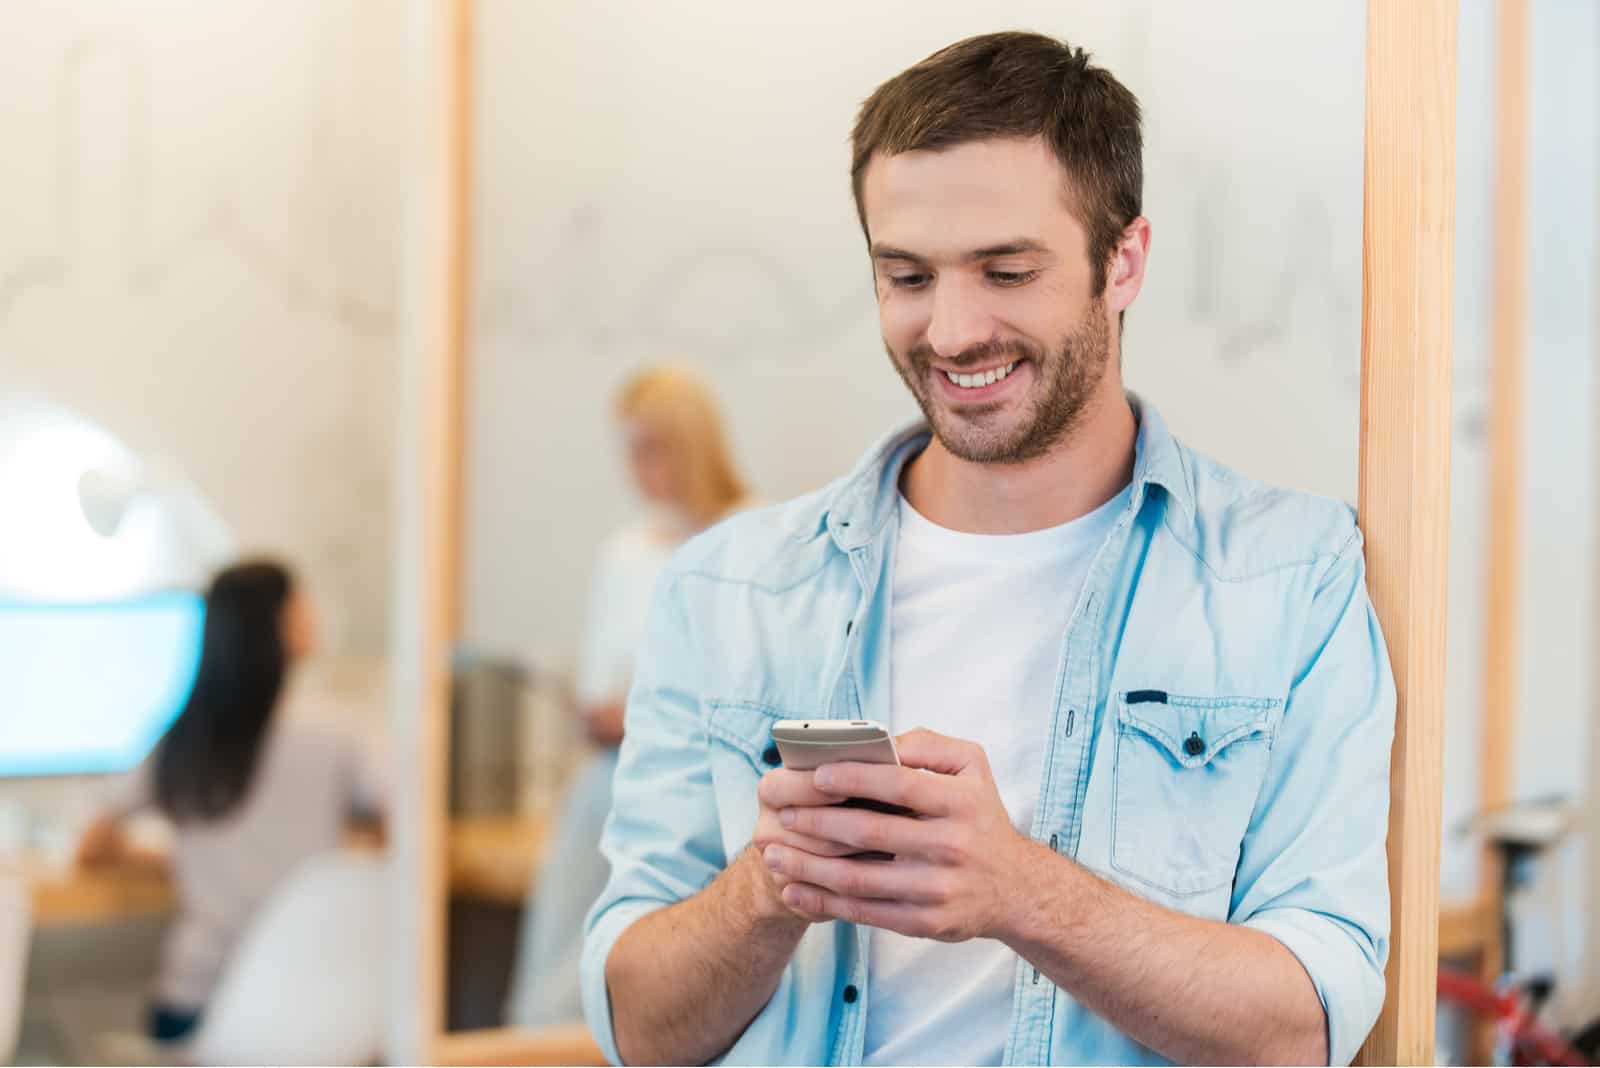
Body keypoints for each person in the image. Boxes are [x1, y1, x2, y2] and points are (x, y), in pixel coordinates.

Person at [582, 32, 1395, 1067]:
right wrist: (767, 885)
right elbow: (641, 1034)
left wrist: (1023, 893)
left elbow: (1306, 1028)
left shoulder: (1291, 582)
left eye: (1005, 271)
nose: (952, 331)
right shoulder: (728, 589)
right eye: (907, 276)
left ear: (1124, 261)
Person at [506, 364, 750, 1028]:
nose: (636, 469)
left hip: (704, 793)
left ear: (687, 444)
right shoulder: (625, 552)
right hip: (608, 782)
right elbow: (596, 685)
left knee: (671, 981)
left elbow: (756, 696)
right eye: (629, 450)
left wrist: (649, 713)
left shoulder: (752, 544)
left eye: (649, 448)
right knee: (552, 972)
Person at [77, 561, 384, 1044]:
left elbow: (93, 847)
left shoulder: (182, 736)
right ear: (281, 627)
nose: (316, 619)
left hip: (196, 1006)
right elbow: (402, 826)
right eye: (304, 608)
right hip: (304, 1012)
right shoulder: (338, 734)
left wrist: (178, 859)